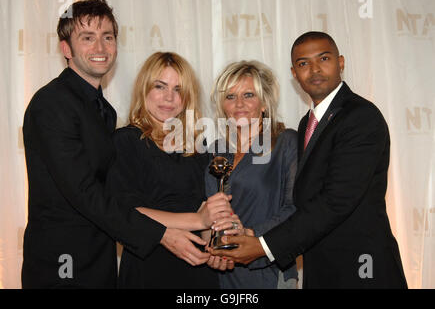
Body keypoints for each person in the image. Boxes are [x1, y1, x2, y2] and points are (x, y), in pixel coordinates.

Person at [21, 0, 217, 289]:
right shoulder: (52, 104)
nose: (100, 48)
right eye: (87, 38)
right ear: (66, 48)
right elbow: (84, 193)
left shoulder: (103, 111)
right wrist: (163, 233)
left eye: (107, 37)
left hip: (101, 256)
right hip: (63, 260)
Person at [211, 31, 408, 289]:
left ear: (341, 62)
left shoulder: (361, 117)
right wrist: (247, 235)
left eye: (323, 58)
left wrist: (263, 245)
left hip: (361, 269)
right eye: (303, 63)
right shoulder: (308, 123)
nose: (314, 69)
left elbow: (336, 201)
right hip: (321, 268)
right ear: (295, 73)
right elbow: (307, 199)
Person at [105, 51, 232, 288]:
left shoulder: (198, 147)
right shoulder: (126, 140)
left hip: (197, 269)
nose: (169, 98)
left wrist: (215, 246)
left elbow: (205, 210)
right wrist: (197, 219)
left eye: (178, 90)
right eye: (160, 86)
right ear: (144, 89)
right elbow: (125, 211)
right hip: (149, 266)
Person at [204, 60, 298, 289]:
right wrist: (210, 246)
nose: (239, 104)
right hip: (222, 270)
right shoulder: (214, 150)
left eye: (248, 95)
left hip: (268, 267)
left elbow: (295, 208)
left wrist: (250, 233)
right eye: (230, 97)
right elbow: (207, 210)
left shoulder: (285, 142)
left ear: (264, 103)